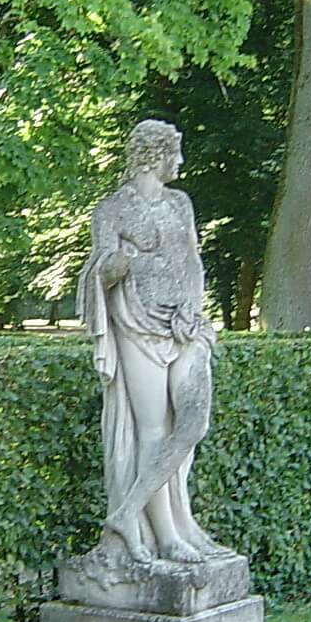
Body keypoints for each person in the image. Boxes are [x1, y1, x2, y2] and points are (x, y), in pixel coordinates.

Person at [76, 119, 227, 565]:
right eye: (174, 153)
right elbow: (99, 273)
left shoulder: (181, 204)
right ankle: (166, 534)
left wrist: (191, 308)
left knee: (193, 422)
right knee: (153, 431)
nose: (179, 162)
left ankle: (129, 514)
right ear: (153, 154)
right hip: (136, 326)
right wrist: (120, 261)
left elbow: (193, 262)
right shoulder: (112, 210)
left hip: (183, 328)